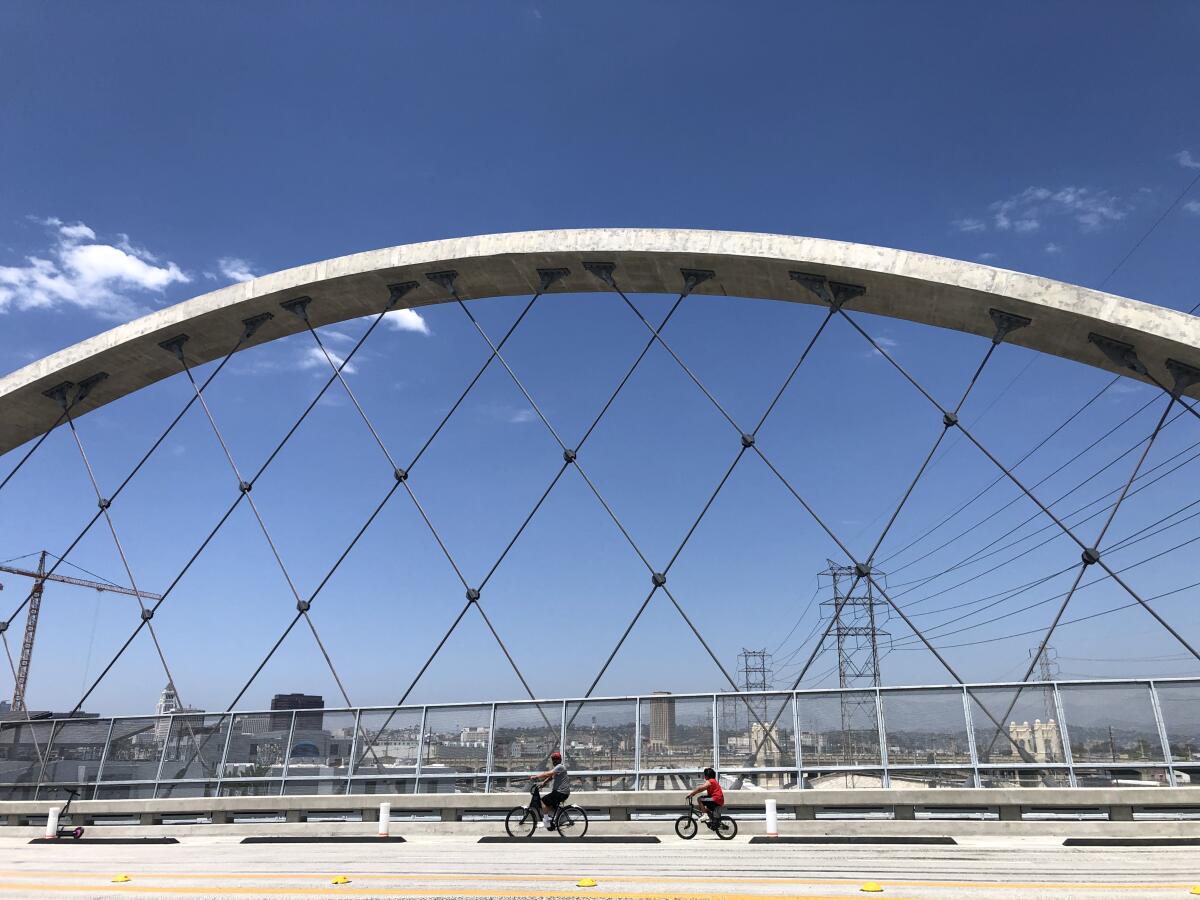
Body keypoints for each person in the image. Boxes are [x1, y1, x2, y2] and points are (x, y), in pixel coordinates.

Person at [531, 750, 570, 829]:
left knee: (543, 801)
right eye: (553, 759)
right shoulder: (557, 768)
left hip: (561, 792)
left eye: (556, 759)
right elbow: (551, 777)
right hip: (560, 792)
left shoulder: (560, 767)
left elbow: (548, 774)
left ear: (560, 760)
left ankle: (546, 822)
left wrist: (536, 776)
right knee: (550, 804)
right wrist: (543, 783)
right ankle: (554, 819)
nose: (554, 761)